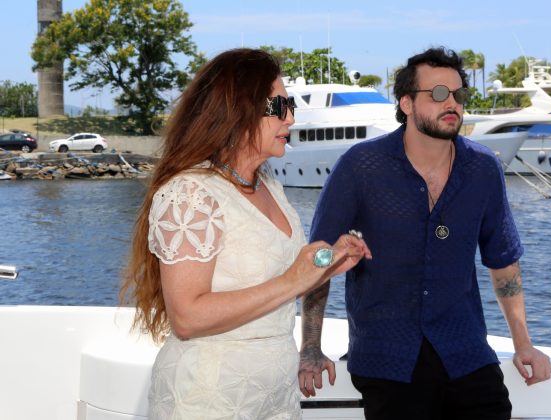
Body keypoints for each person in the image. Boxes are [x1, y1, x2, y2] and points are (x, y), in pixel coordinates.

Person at [298, 46, 551, 419]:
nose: (452, 103)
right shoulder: (360, 166)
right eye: (438, 94)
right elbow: (318, 258)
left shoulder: (483, 168)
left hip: (465, 354)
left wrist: (523, 344)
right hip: (387, 358)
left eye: (458, 94)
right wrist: (310, 349)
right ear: (406, 103)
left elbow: (504, 263)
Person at [120, 48, 371, 420]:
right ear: (238, 111)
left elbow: (274, 276)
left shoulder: (270, 187)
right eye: (279, 107)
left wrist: (326, 264)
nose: (291, 117)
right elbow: (187, 317)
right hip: (208, 400)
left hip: (276, 399)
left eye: (290, 106)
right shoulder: (191, 194)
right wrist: (293, 280)